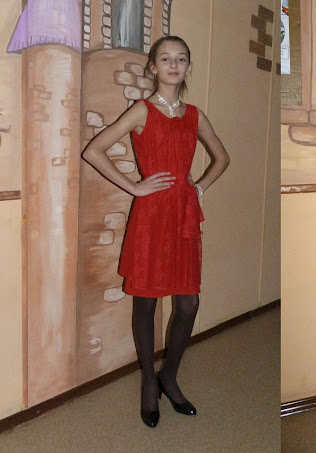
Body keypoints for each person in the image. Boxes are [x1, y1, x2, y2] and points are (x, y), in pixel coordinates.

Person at [83, 36, 230, 428]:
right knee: (146, 303)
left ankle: (170, 376)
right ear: (153, 67)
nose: (173, 64)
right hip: (151, 216)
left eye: (181, 59)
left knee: (188, 304)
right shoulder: (141, 110)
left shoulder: (195, 115)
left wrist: (198, 187)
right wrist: (135, 187)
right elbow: (93, 150)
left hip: (183, 215)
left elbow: (222, 157)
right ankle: (149, 381)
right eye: (165, 58)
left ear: (188, 67)